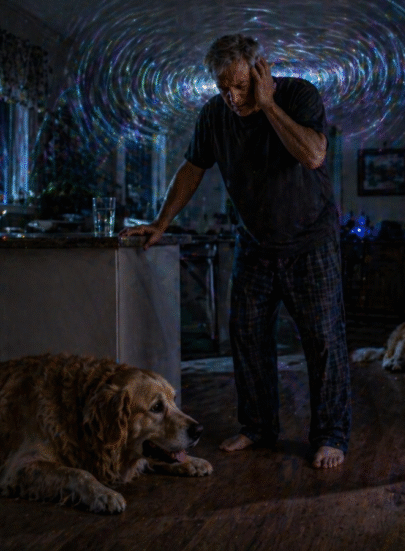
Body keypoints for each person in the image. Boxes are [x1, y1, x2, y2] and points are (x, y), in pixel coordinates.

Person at [119, 34, 350, 469]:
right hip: (256, 244)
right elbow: (192, 168)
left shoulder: (298, 94)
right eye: (224, 87)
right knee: (246, 336)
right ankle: (259, 426)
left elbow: (314, 155)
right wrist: (161, 221)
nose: (232, 97)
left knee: (324, 342)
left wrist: (267, 105)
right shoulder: (214, 116)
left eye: (240, 86)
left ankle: (332, 434)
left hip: (311, 242)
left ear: (260, 71)